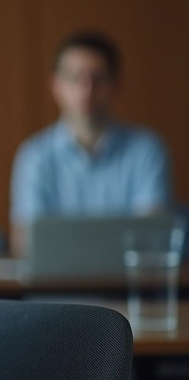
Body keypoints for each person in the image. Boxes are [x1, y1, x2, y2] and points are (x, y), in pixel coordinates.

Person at [10, 32, 171, 254]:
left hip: (127, 278)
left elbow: (152, 236)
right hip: (56, 278)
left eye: (98, 78)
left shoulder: (147, 150)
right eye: (74, 77)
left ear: (116, 84)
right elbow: (26, 243)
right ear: (55, 85)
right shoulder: (34, 155)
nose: (87, 90)